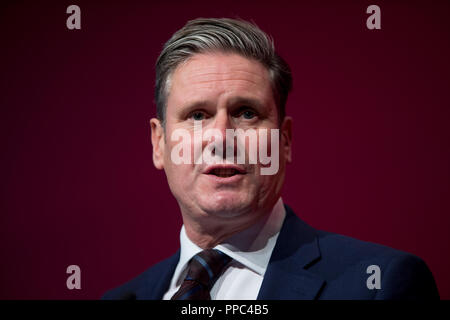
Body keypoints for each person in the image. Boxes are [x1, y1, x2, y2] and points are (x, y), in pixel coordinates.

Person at [103, 18, 439, 300]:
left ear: (285, 140)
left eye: (246, 113)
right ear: (159, 143)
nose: (222, 136)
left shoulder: (379, 284)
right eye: (197, 115)